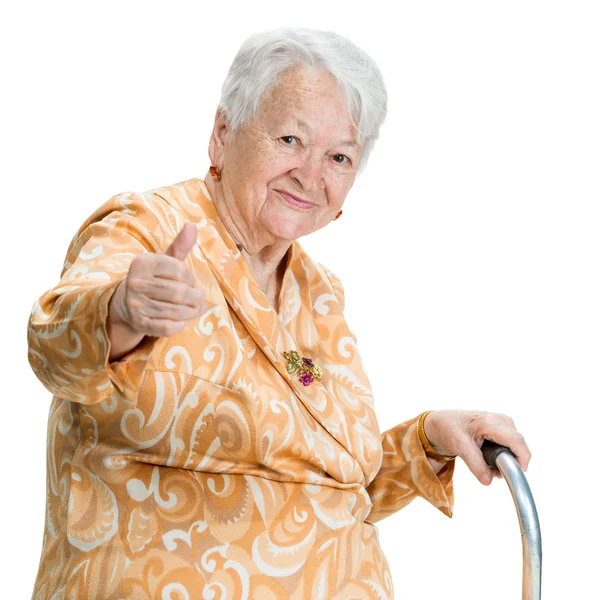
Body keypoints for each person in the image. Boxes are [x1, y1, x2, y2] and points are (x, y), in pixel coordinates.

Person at [27, 27, 531, 600]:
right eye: (291, 139)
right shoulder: (150, 228)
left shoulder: (319, 293)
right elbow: (53, 345)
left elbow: (327, 484)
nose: (311, 175)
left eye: (339, 157)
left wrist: (427, 440)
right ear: (223, 133)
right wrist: (120, 310)